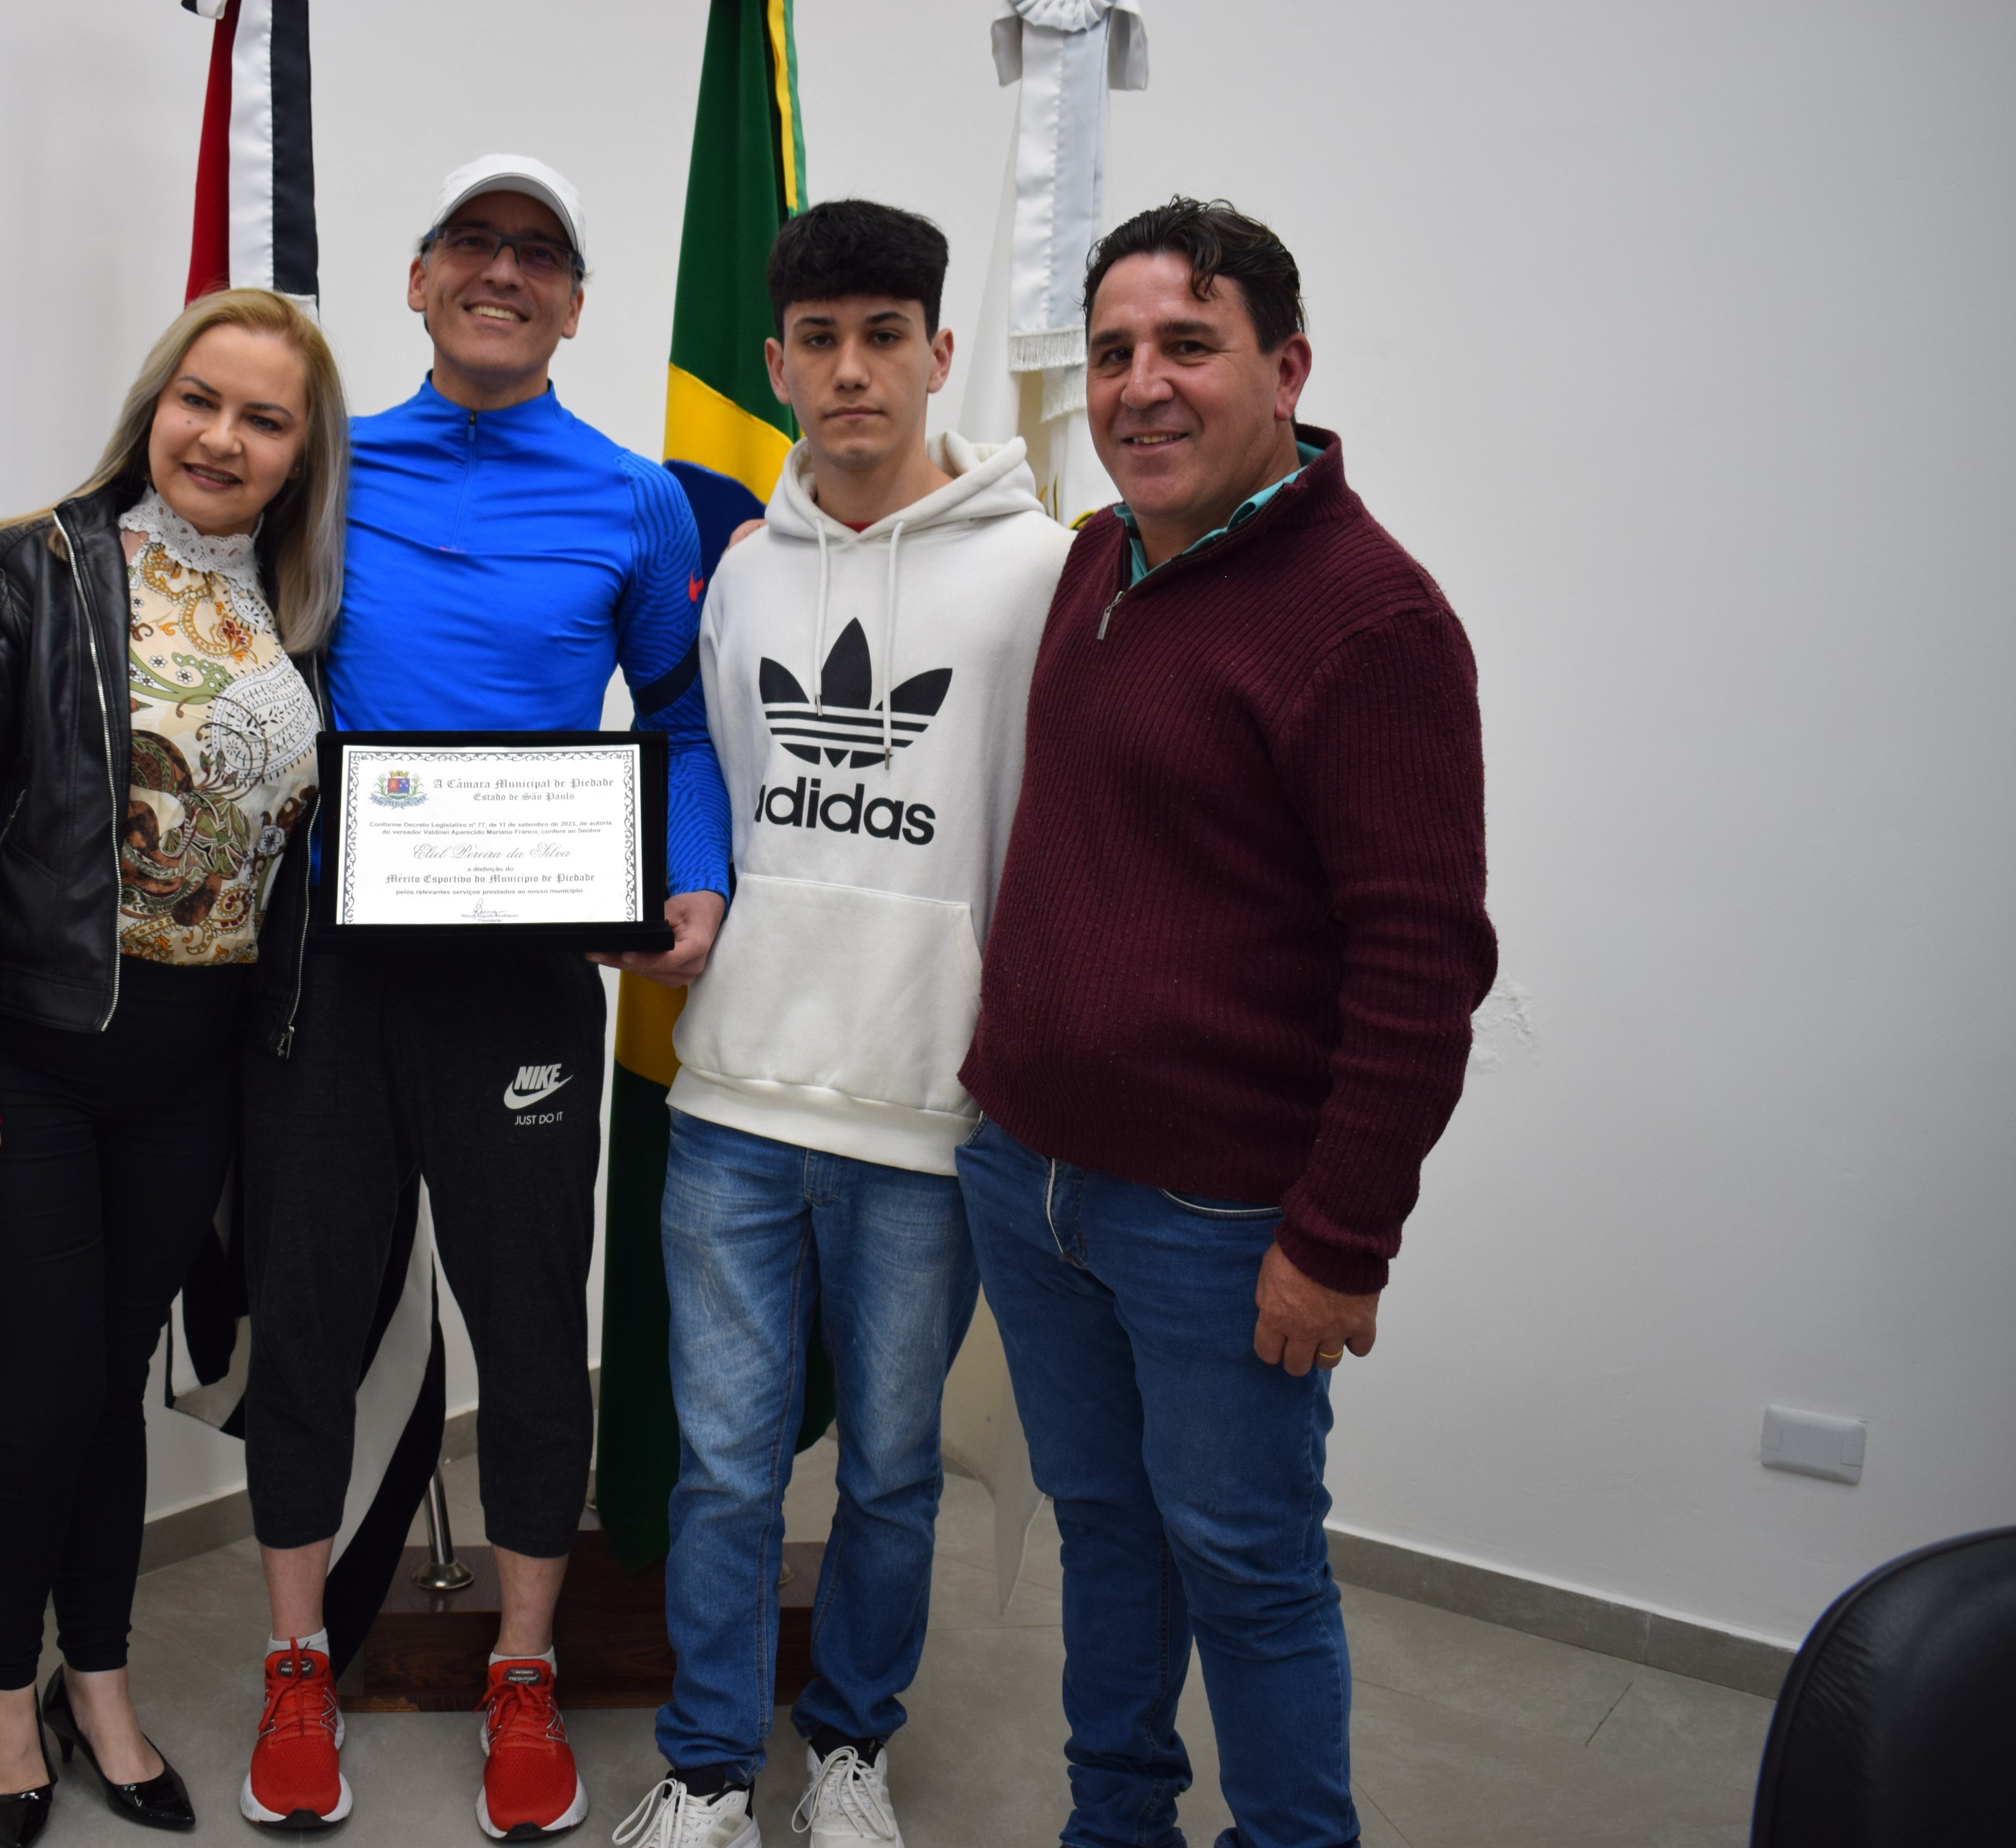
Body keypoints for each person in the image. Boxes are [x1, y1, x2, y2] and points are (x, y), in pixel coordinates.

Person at [0, 154, 730, 1840]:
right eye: (472, 243)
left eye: (540, 255)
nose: (503, 272)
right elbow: (167, 583)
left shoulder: (641, 500)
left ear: (576, 304)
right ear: (418, 280)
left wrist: (695, 874)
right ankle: (298, 1664)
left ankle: (522, 1671)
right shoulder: (327, 475)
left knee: (532, 1330)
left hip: (525, 982)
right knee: (300, 1321)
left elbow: (676, 718)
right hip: (318, 979)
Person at [955, 198, 1497, 1848]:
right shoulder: (1094, 563)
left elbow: (1421, 968)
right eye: (1113, 351)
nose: (1141, 385)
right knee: (1105, 1533)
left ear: (1286, 369)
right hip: (1029, 1178)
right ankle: (1114, 1822)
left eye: (1187, 345)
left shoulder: (1371, 622)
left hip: (1217, 1220)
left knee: (1248, 1566)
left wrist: (1338, 1240)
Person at [606, 200, 1071, 1848]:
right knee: (725, 1470)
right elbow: (707, 777)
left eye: (884, 335)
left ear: (940, 353)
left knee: (886, 1470)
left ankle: (851, 1747)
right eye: (819, 340)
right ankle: (707, 1768)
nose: (851, 369)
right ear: (776, 363)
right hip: (735, 1098)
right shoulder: (740, 572)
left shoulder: (1039, 571)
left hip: (929, 1116)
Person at [0, 286, 347, 1846]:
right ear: (156, 404)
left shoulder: (308, 615)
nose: (222, 437)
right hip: (18, 1055)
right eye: (198, 399)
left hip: (190, 1075)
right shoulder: (26, 570)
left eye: (263, 417)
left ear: (301, 452)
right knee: (33, 1400)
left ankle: (99, 1677)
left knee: (106, 1393)